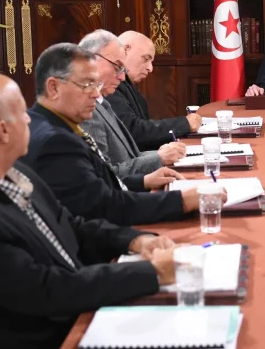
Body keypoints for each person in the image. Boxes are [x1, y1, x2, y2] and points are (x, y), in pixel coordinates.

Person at [0, 73, 178, 349]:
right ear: (2, 131)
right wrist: (151, 273)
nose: (30, 119)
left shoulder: (10, 170)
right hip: (38, 336)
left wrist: (133, 240)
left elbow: (70, 224)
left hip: (68, 312)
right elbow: (44, 291)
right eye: (21, 112)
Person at [23, 42, 200, 225]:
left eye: (96, 84)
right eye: (87, 84)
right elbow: (103, 206)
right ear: (53, 88)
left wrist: (143, 181)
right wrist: (181, 201)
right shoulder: (55, 141)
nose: (95, 94)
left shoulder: (51, 123)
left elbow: (95, 186)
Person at [78, 30, 186, 176]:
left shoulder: (102, 103)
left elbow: (130, 156)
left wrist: (164, 154)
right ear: (91, 60)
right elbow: (103, 175)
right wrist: (158, 159)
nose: (122, 77)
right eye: (117, 67)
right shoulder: (85, 110)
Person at [108, 31, 202, 151]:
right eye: (146, 58)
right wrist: (184, 124)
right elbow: (133, 132)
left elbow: (144, 135)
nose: (150, 68)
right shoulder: (110, 85)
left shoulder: (128, 86)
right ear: (126, 50)